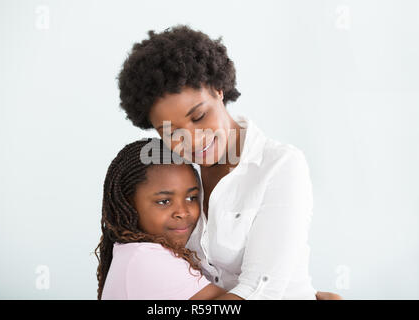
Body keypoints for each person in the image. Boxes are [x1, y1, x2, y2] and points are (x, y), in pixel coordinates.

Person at [116, 24, 343, 299]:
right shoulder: (171, 175)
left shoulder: (280, 166)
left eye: (199, 117)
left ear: (218, 90)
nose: (193, 140)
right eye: (171, 132)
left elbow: (262, 290)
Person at [95, 138, 229, 299]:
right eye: (164, 201)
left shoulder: (133, 254)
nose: (183, 212)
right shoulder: (148, 259)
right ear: (128, 203)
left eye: (191, 198)